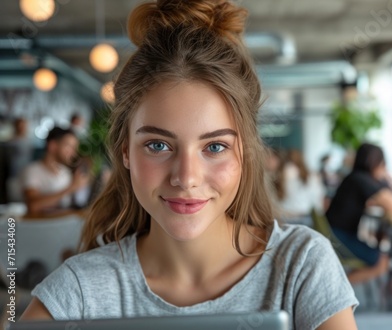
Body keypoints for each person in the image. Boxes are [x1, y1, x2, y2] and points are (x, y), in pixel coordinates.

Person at [20, 1, 359, 328]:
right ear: (125, 151)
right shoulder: (80, 291)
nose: (186, 178)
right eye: (158, 145)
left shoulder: (300, 267)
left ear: (245, 154)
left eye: (214, 146)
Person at [326, 143, 392, 285]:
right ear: (378, 163)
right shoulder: (362, 179)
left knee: (380, 252)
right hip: (339, 238)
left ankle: (337, 290)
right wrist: (383, 177)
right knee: (382, 261)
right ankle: (336, 291)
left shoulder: (354, 177)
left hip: (334, 234)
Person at [21, 126, 90, 217]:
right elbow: (33, 206)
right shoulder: (32, 171)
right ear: (52, 146)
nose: (74, 153)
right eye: (69, 146)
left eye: (75, 148)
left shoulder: (66, 173)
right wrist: (72, 187)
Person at [274, 149, 325, 225]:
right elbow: (317, 201)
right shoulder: (311, 176)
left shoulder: (278, 176)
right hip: (303, 217)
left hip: (283, 217)